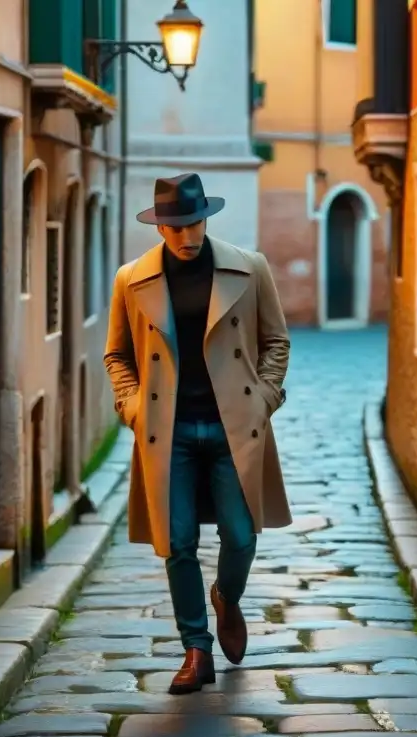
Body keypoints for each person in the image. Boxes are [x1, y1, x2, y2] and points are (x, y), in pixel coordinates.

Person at [103, 172, 293, 695]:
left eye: (195, 223)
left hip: (235, 426)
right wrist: (132, 406)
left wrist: (265, 398)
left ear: (206, 218)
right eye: (177, 226)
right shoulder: (131, 279)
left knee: (241, 533)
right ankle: (195, 649)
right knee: (177, 542)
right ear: (161, 227)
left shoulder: (248, 268)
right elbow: (117, 354)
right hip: (169, 432)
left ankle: (226, 597)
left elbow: (276, 341)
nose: (188, 236)